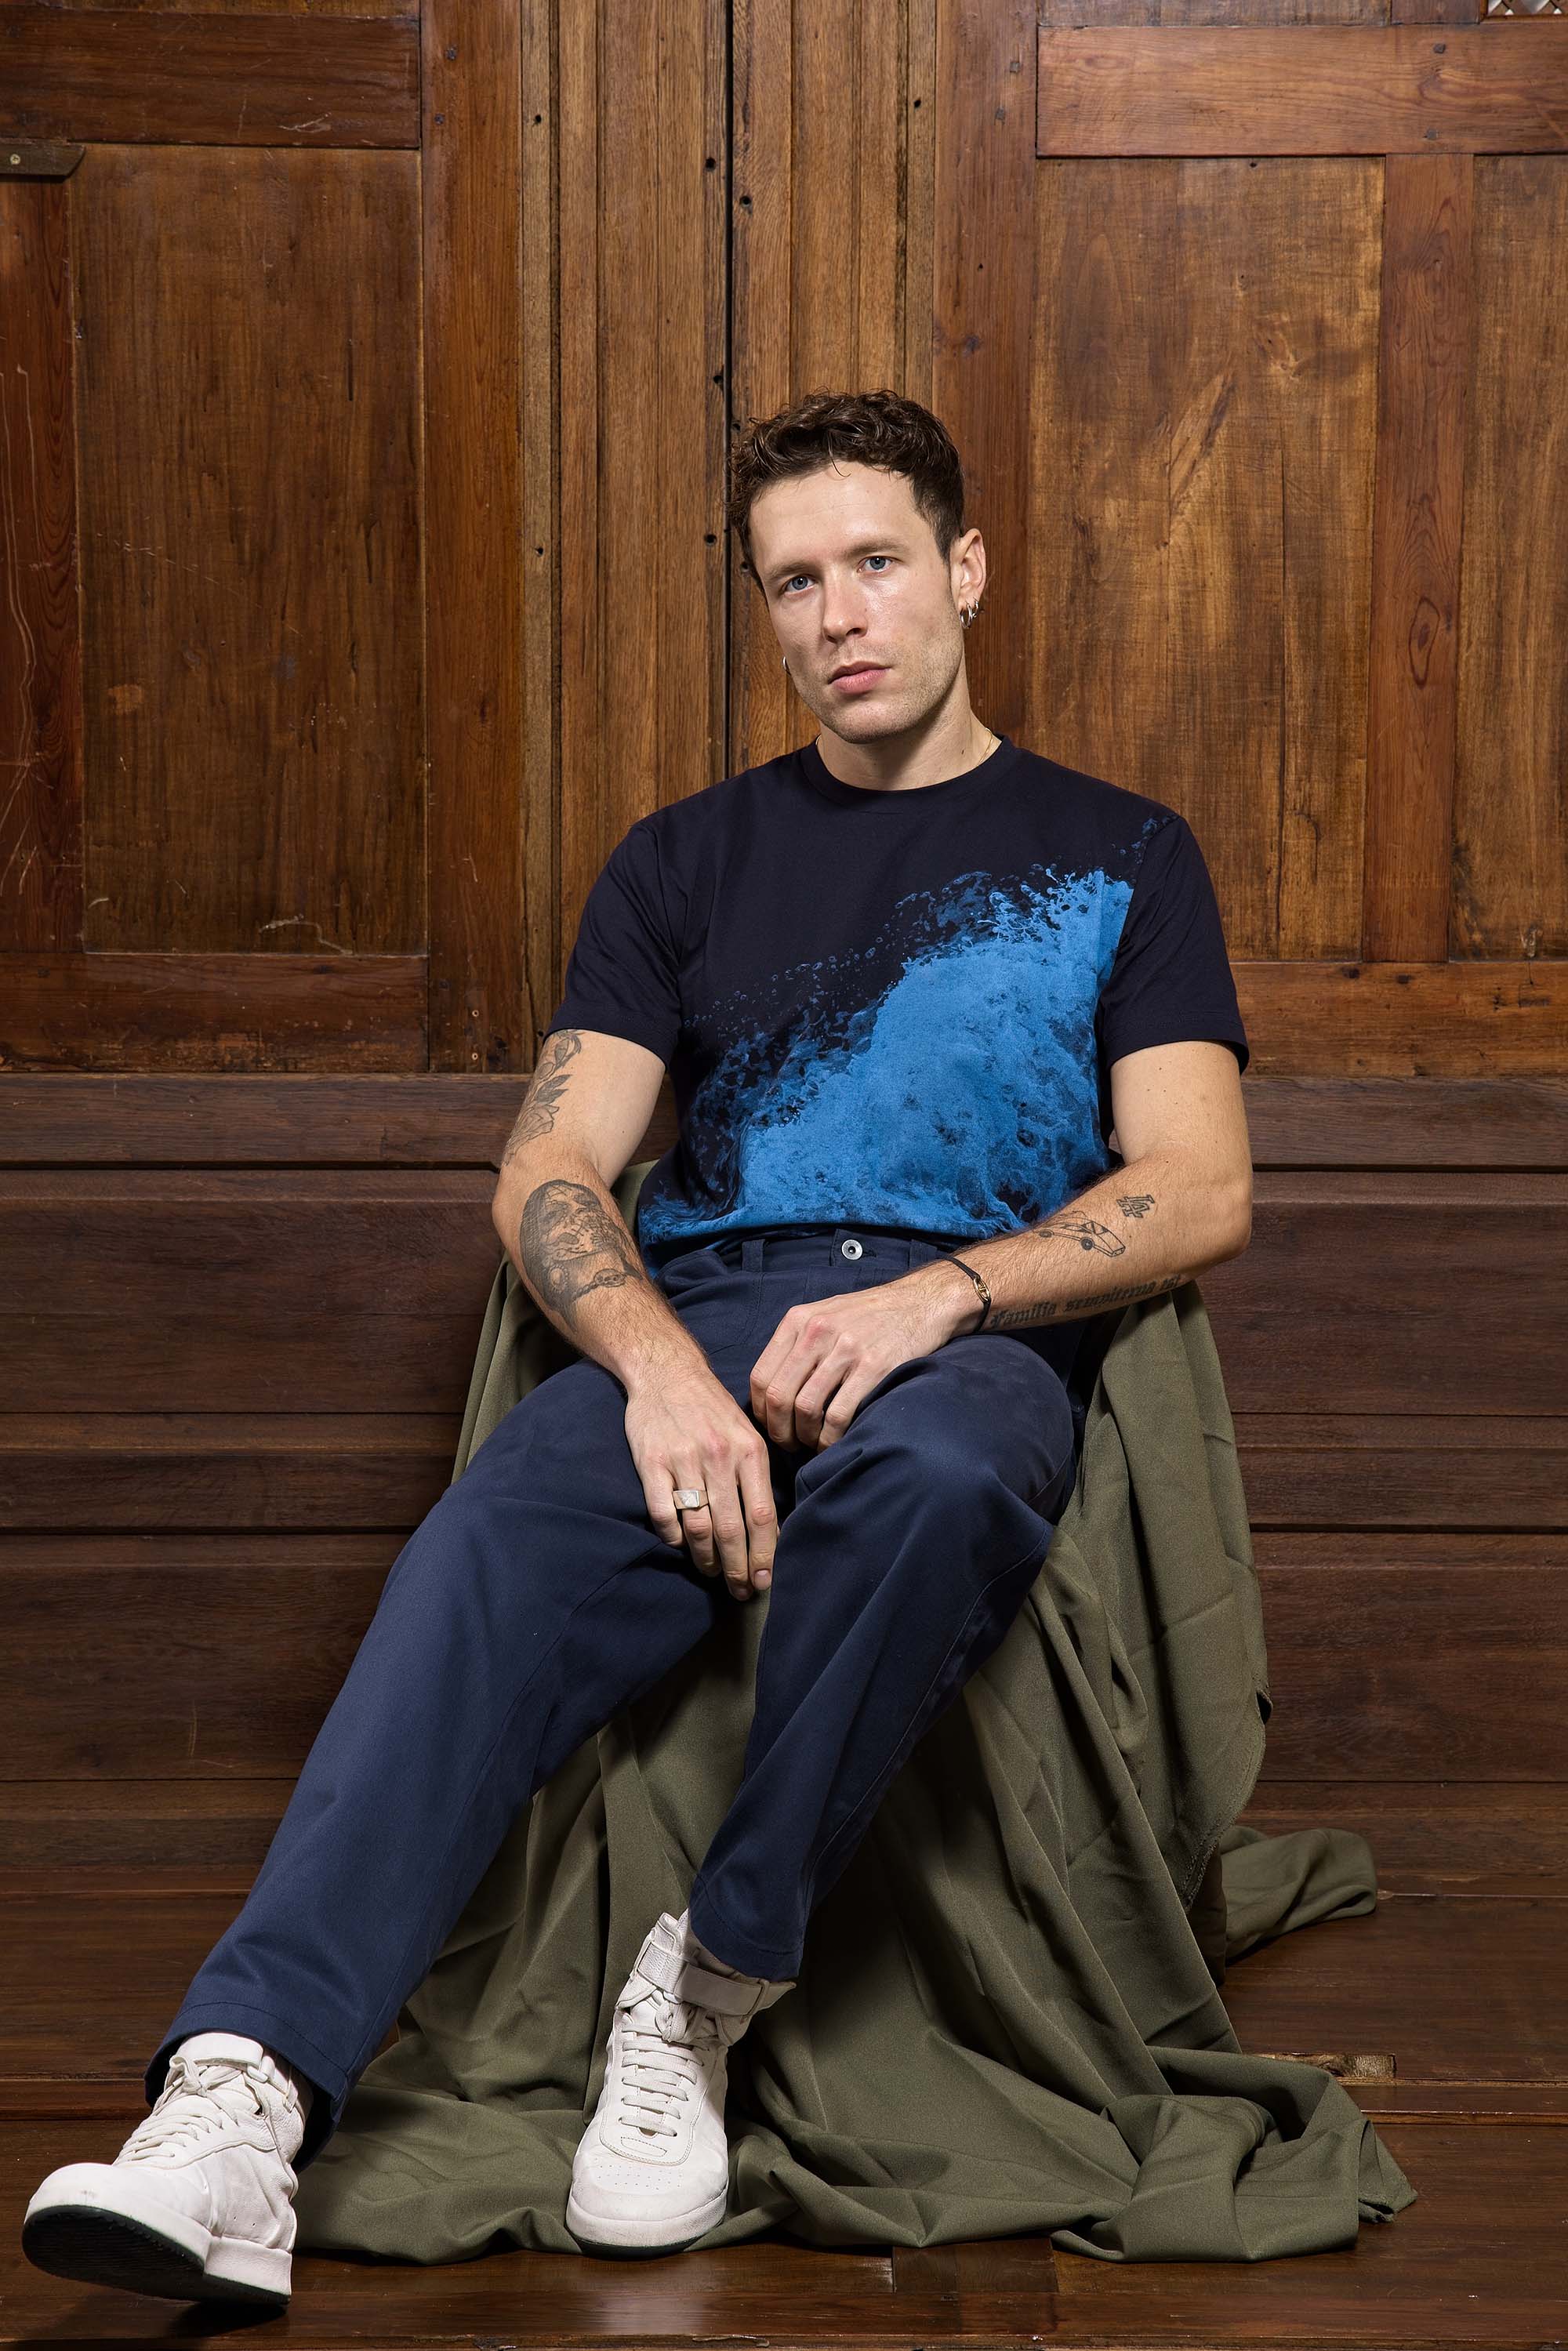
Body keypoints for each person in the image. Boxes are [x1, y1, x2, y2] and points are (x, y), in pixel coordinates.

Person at [22, 387, 1254, 2307]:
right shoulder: (682, 859)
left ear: (964, 571)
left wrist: (940, 1298)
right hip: (710, 1302)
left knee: (936, 1477)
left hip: (967, 1320)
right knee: (488, 1542)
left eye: (875, 563)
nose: (838, 614)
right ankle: (241, 2098)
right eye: (793, 581)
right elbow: (549, 1167)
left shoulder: (1121, 850)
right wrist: (665, 1371)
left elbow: (1197, 1183)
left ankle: (705, 1984)